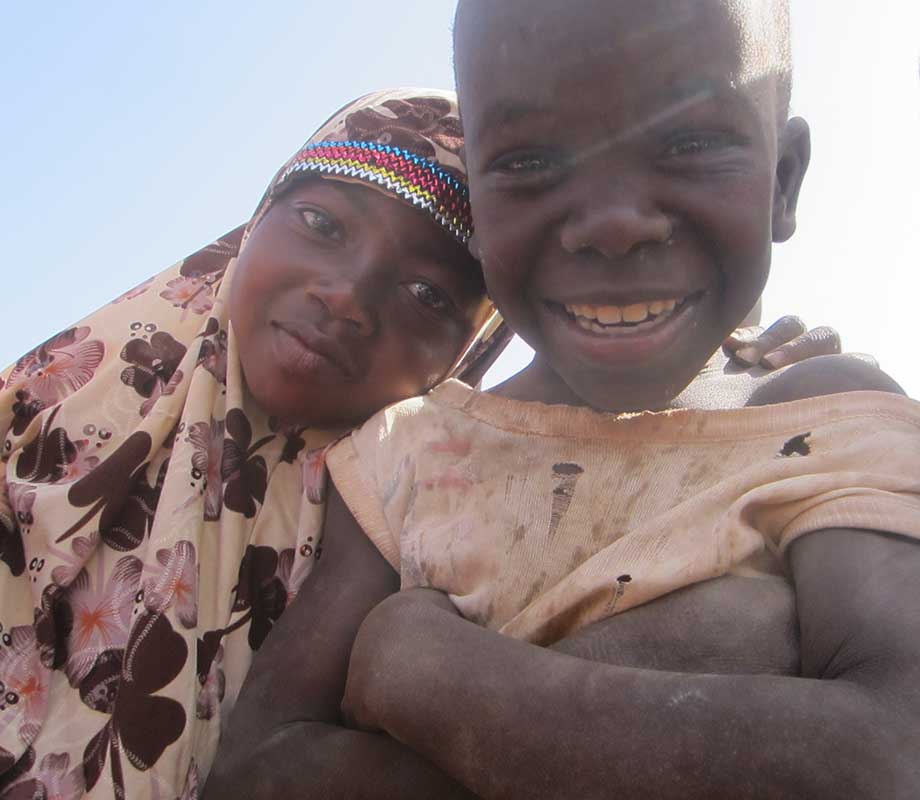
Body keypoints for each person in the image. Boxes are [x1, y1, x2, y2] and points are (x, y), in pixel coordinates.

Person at [208, 2, 920, 798]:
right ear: (479, 209)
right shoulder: (404, 454)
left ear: (782, 182)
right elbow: (255, 772)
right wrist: (724, 655)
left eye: (690, 143)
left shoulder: (822, 411)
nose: (613, 225)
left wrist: (424, 673)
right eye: (529, 162)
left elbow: (897, 753)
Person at [0, 88, 511, 799]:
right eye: (320, 223)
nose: (347, 297)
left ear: (469, 352)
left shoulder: (425, 555)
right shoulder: (39, 413)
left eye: (428, 294)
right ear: (257, 219)